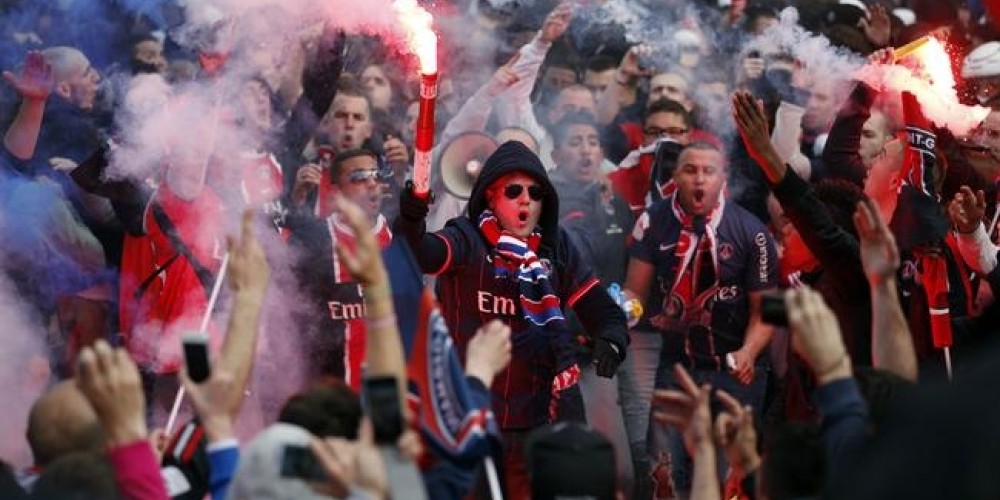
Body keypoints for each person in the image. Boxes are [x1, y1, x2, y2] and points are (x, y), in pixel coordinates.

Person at [393, 140, 627, 497]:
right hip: (472, 415)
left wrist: (612, 339)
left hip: (540, 420)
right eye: (513, 190)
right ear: (490, 197)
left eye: (535, 193)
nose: (525, 200)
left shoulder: (557, 247)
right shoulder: (466, 236)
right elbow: (421, 254)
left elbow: (601, 309)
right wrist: (410, 219)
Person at [622, 141, 777, 498]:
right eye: (690, 170)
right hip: (676, 364)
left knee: (731, 475)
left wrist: (749, 352)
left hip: (737, 368)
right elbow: (635, 292)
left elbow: (767, 312)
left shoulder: (751, 231)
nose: (699, 180)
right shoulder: (652, 221)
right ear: (675, 176)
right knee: (664, 472)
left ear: (724, 178)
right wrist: (620, 315)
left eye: (709, 171)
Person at [287, 148, 393, 388]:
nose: (371, 183)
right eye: (359, 177)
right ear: (335, 193)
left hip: (388, 395)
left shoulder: (399, 237)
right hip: (330, 396)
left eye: (375, 175)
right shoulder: (311, 241)